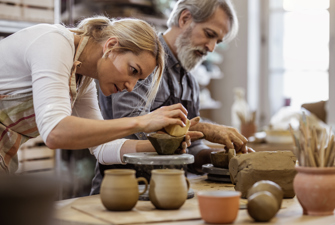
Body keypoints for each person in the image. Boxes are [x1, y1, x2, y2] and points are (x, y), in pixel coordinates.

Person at [90, 0, 255, 195]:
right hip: (123, 190)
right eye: (209, 35)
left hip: (169, 191)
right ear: (185, 18)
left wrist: (218, 158)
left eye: (217, 42)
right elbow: (130, 127)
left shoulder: (190, 82)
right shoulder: (142, 62)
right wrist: (204, 128)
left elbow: (190, 147)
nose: (211, 48)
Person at [0, 15, 202, 174]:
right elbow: (55, 132)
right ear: (111, 46)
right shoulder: (54, 43)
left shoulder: (83, 78)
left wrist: (160, 147)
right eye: (133, 71)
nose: (131, 87)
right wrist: (142, 122)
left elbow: (101, 149)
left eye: (138, 80)